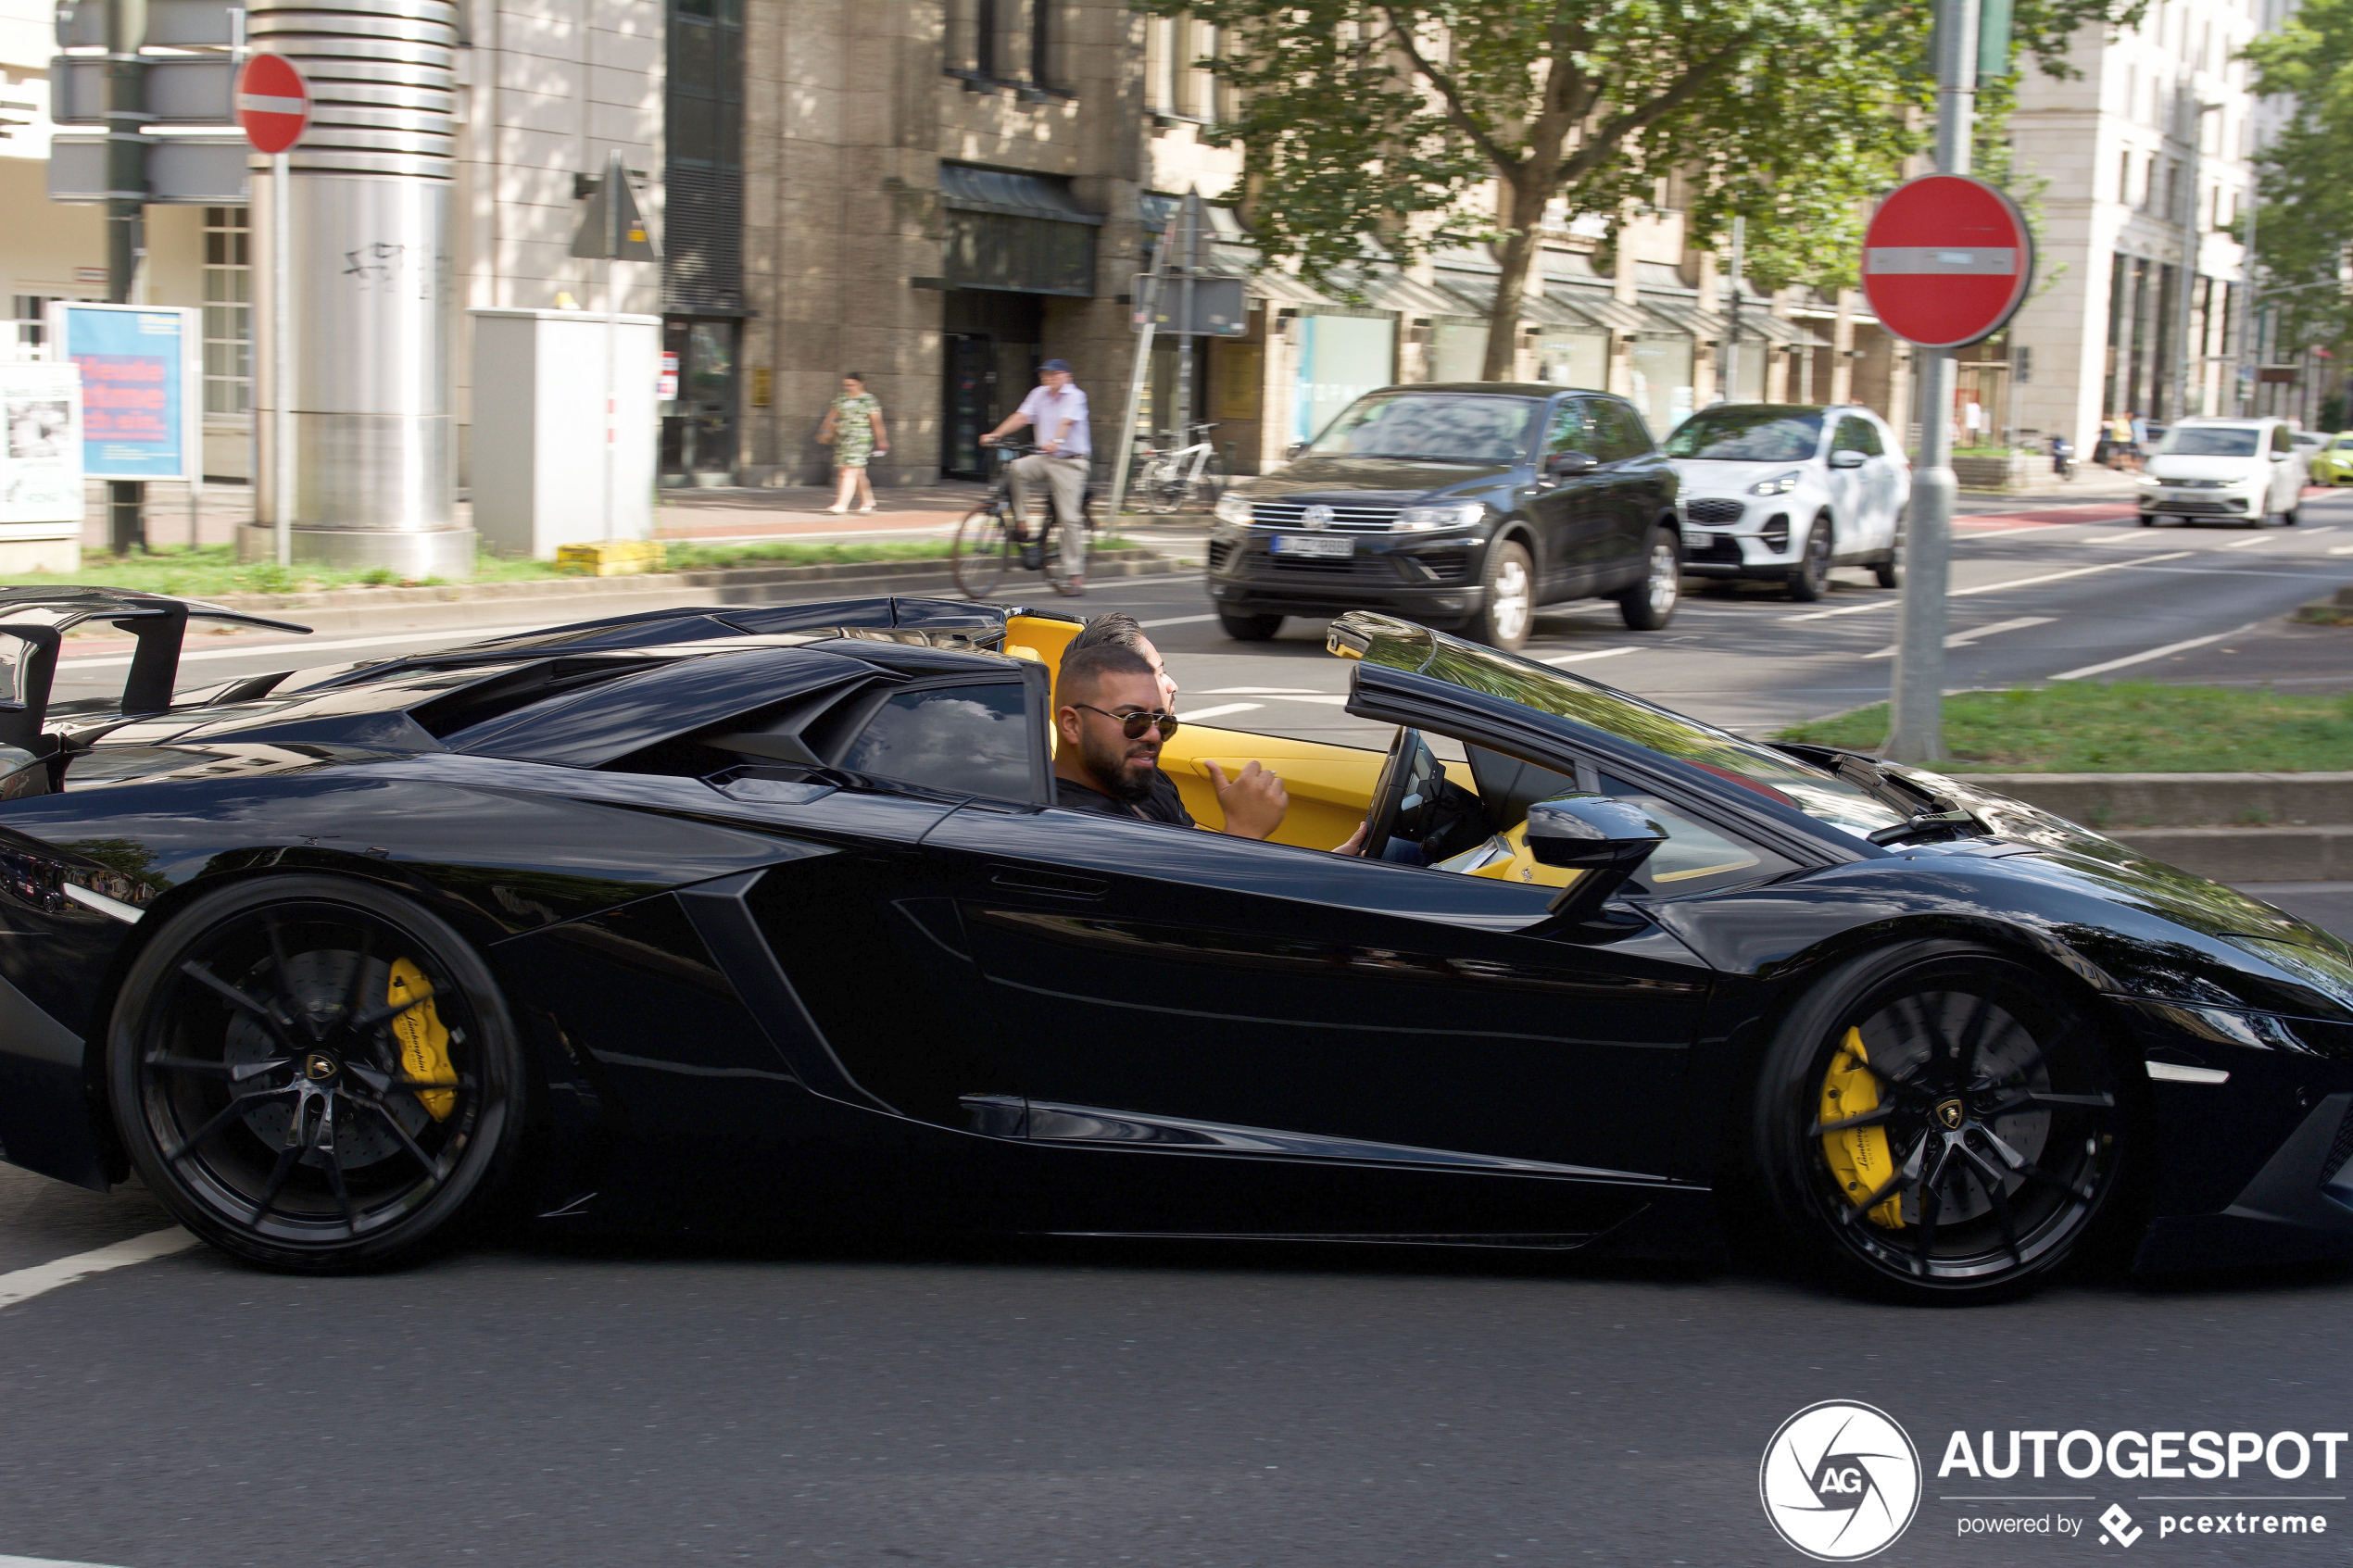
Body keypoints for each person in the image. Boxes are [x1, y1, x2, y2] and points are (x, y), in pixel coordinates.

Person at [1063, 613, 1287, 838]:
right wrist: (1245, 830)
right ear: (1073, 725)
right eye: (1133, 719)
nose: (1154, 735)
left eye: (1164, 724)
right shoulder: (1080, 826)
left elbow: (1194, 853)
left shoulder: (1141, 777)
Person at [982, 358, 1091, 597]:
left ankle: (1075, 575)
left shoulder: (1075, 396)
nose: (1048, 378)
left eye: (1053, 374)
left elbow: (1066, 421)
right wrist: (995, 434)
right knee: (1015, 469)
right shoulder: (1039, 394)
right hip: (1044, 458)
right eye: (1045, 375)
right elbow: (1021, 416)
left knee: (1069, 517)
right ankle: (1022, 523)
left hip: (1070, 462)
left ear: (1066, 376)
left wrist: (1057, 441)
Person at [817, 373, 888, 514]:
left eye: (851, 385)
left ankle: (841, 504)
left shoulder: (869, 400)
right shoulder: (841, 398)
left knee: (847, 471)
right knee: (858, 472)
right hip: (843, 439)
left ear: (861, 383)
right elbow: (832, 417)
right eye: (846, 385)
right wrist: (825, 432)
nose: (848, 388)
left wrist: (881, 440)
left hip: (860, 440)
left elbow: (876, 422)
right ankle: (868, 500)